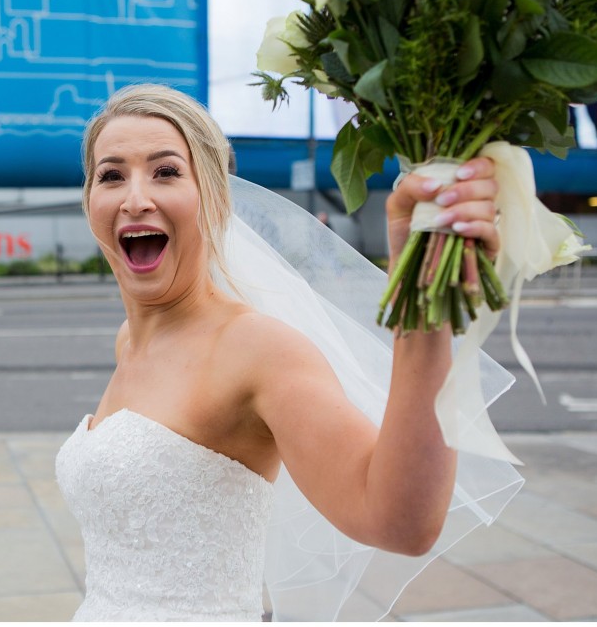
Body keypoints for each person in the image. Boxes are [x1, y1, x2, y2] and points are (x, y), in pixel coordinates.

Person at [55, 84, 516, 621]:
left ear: (216, 199)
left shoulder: (257, 348)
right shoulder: (130, 341)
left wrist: (424, 314)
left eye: (166, 171)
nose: (135, 198)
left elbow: (399, 522)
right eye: (111, 176)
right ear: (89, 201)